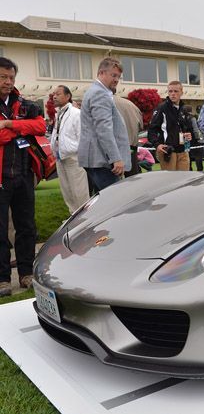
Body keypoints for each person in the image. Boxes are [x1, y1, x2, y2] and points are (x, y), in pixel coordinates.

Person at [0, 57, 46, 295]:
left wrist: (8, 124)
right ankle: (3, 279)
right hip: (1, 178)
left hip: (24, 174)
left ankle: (27, 273)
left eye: (11, 77)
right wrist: (19, 128)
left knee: (27, 227)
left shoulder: (25, 104)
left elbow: (40, 127)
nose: (8, 82)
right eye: (3, 77)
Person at [78, 57, 131, 192]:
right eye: (113, 75)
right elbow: (104, 130)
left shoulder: (96, 92)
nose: (116, 80)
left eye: (118, 76)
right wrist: (116, 158)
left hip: (97, 159)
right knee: (115, 202)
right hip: (102, 160)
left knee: (102, 202)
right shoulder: (99, 94)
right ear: (101, 73)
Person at [50, 85, 90, 213]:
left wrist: (72, 150)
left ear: (68, 96)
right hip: (60, 158)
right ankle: (73, 220)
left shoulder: (76, 114)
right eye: (53, 94)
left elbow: (83, 137)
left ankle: (85, 221)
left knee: (79, 193)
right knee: (67, 192)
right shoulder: (59, 114)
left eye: (58, 94)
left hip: (74, 158)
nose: (54, 96)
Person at [147, 81, 193, 171]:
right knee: (171, 181)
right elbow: (151, 130)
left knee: (184, 180)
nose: (173, 94)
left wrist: (189, 135)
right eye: (170, 91)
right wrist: (157, 145)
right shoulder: (162, 108)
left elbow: (188, 129)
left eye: (176, 91)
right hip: (168, 151)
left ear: (181, 92)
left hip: (183, 150)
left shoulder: (184, 109)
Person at [114, 95, 143, 177]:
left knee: (112, 182)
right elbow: (141, 126)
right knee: (132, 178)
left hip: (114, 147)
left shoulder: (104, 102)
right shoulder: (131, 105)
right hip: (131, 146)